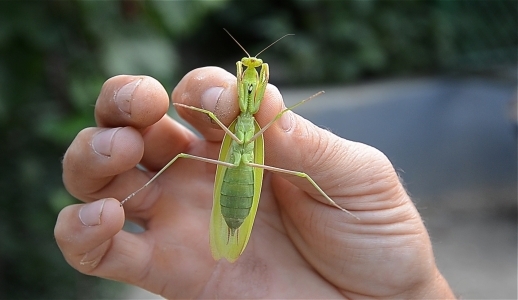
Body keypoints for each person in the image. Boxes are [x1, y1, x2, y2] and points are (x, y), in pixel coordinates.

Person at [55, 67, 455, 298]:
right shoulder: (240, 114)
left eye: (253, 73)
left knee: (293, 168)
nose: (249, 76)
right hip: (237, 175)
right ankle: (141, 193)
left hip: (244, 171)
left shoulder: (263, 119)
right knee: (179, 150)